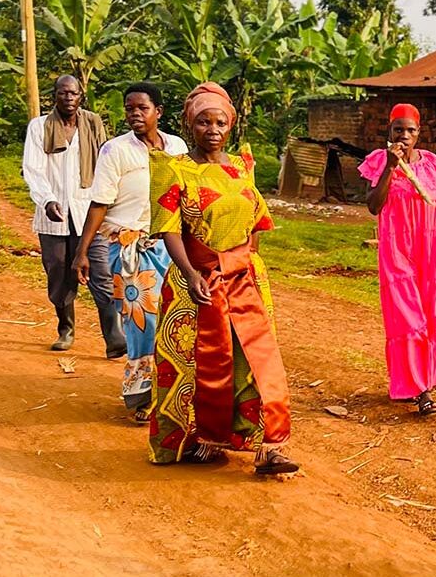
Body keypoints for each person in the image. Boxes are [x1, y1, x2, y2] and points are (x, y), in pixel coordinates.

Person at [147, 81, 298, 475]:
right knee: (198, 361)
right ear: (188, 124)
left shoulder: (242, 166)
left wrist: (250, 264)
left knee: (258, 360)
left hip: (245, 279)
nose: (212, 129)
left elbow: (257, 221)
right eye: (202, 122)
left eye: (220, 122)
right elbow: (169, 228)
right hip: (193, 282)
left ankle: (270, 446)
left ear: (230, 125)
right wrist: (191, 272)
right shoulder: (173, 169)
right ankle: (199, 439)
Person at [72, 82, 188, 423]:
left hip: (171, 243)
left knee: (175, 319)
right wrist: (82, 252)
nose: (134, 114)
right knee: (142, 323)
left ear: (159, 112)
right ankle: (141, 398)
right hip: (128, 248)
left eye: (142, 108)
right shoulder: (115, 151)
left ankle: (174, 395)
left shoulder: (177, 148)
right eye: (129, 109)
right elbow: (99, 203)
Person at [358, 103, 436, 416]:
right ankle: (421, 391)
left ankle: (418, 381)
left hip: (428, 250)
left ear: (419, 133)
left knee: (429, 316)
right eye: (398, 130)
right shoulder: (380, 161)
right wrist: (391, 167)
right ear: (389, 132)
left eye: (410, 130)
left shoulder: (431, 163)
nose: (404, 136)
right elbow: (373, 206)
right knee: (408, 318)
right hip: (396, 248)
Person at [22, 74, 126, 357]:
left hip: (90, 213)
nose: (68, 98)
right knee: (58, 272)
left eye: (73, 93)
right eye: (62, 93)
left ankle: (114, 338)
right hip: (52, 214)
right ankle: (65, 328)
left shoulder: (93, 124)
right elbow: (33, 168)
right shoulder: (39, 127)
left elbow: (107, 166)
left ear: (81, 96)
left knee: (101, 273)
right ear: (54, 96)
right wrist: (47, 200)